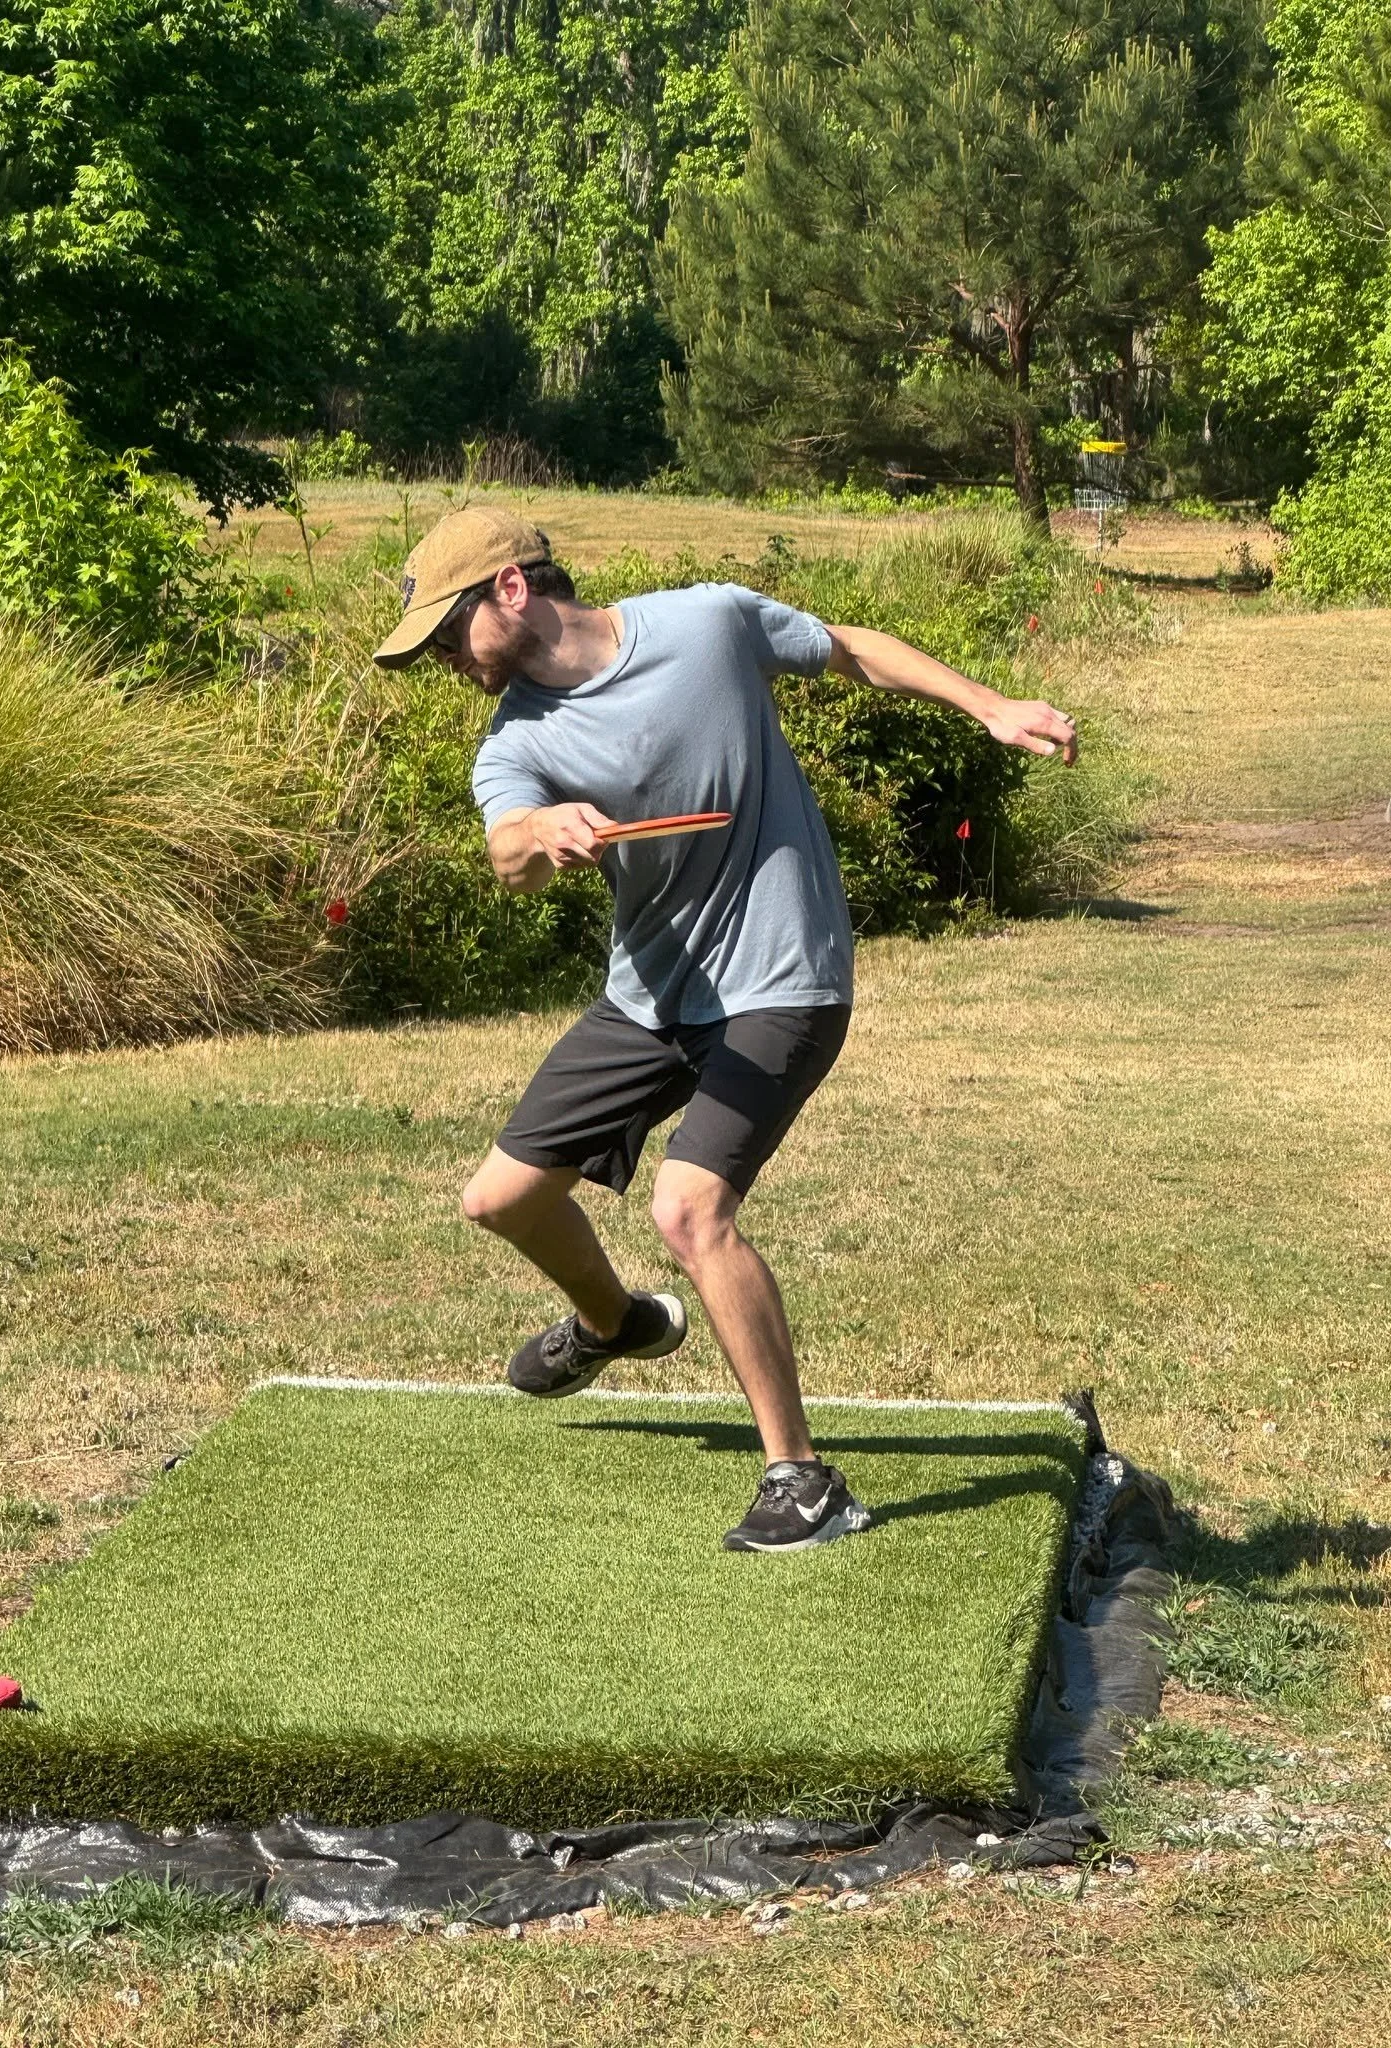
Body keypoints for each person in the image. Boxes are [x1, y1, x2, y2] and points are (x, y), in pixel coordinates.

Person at [373, 504, 1077, 1552]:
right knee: (499, 1197)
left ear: (510, 589)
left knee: (689, 1208)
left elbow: (845, 650)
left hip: (781, 978)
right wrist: (540, 832)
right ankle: (619, 1323)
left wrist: (990, 706)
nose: (441, 655)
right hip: (652, 994)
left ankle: (804, 1481)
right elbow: (505, 849)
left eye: (446, 628)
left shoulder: (704, 625)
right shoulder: (517, 739)